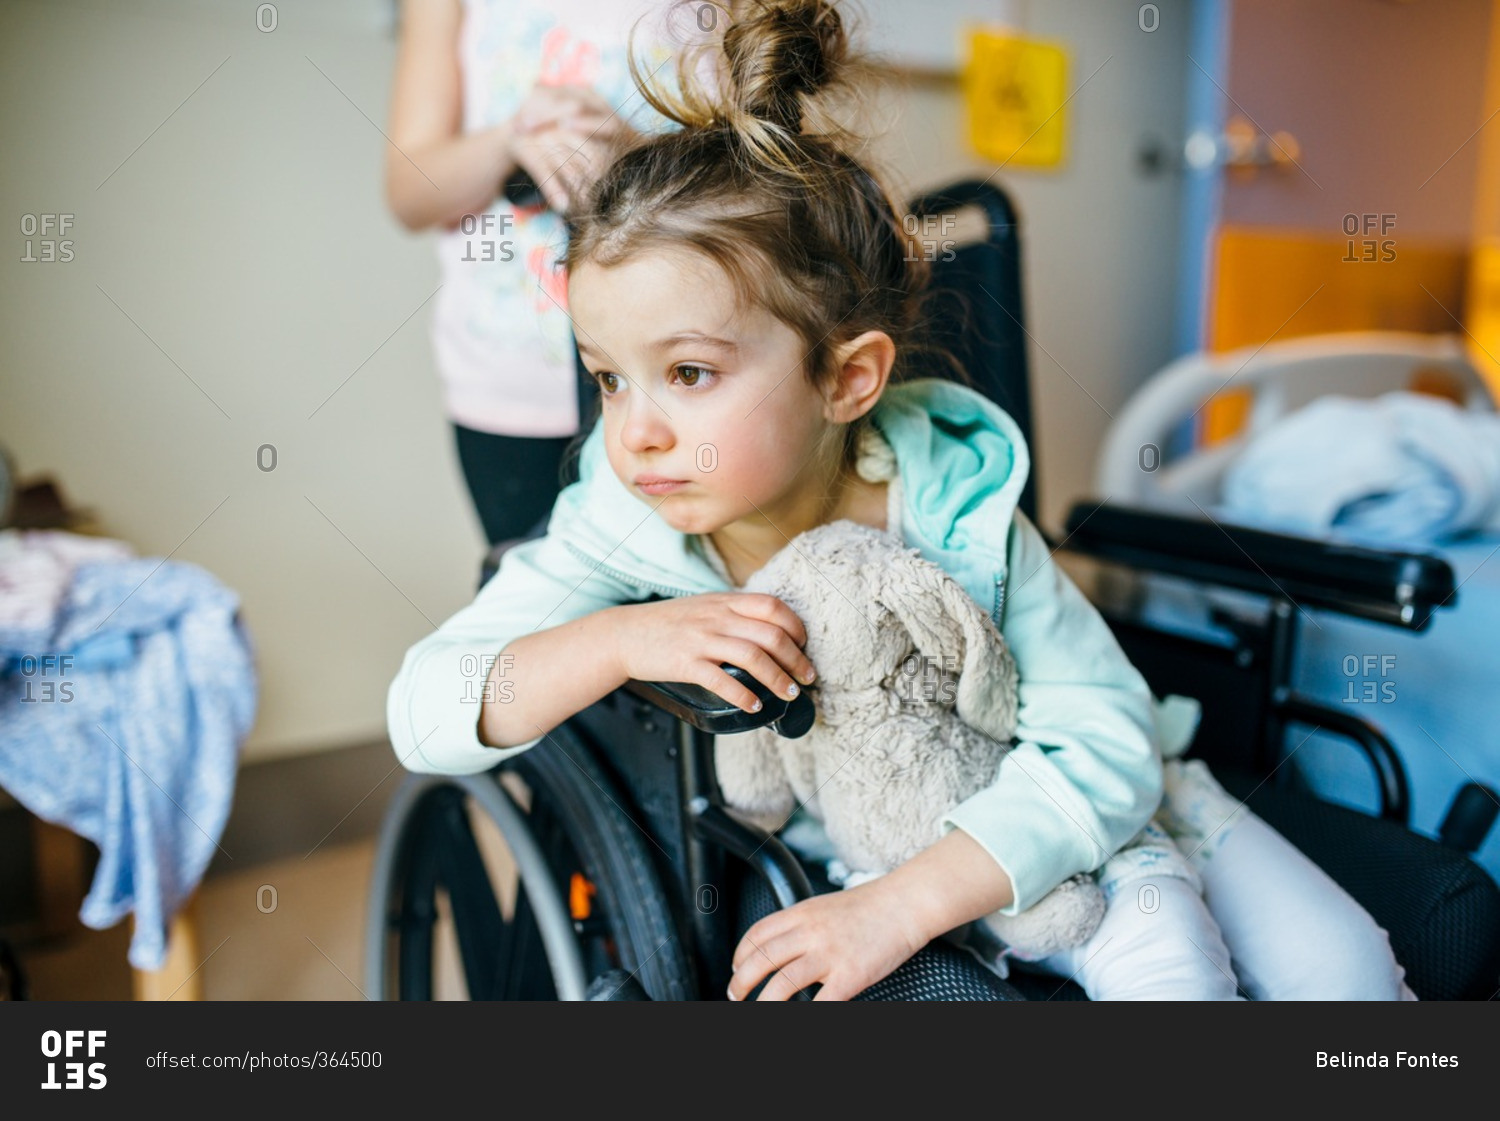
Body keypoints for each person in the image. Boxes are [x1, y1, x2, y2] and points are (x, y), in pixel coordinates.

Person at [387, 0, 1414, 1001]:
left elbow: (1106, 736)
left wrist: (906, 905)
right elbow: (423, 708)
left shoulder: (952, 498)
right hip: (902, 842)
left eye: (689, 374)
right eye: (609, 377)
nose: (635, 429)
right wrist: (617, 639)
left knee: (1353, 971)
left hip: (1108, 809)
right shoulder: (622, 521)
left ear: (848, 378)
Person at [385, 0, 687, 545]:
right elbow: (409, 192)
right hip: (508, 390)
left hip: (681, 385)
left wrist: (636, 159)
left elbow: (768, 184)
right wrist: (510, 140)